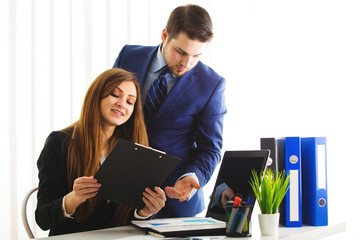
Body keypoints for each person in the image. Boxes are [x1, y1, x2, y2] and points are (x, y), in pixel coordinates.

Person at [113, 4, 227, 218]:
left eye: (196, 56)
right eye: (181, 52)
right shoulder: (128, 56)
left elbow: (210, 148)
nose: (186, 63)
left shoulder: (211, 84)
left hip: (172, 201)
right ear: (165, 35)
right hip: (118, 188)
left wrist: (193, 177)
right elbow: (106, 111)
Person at [35, 68, 166, 236]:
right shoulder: (59, 142)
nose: (122, 104)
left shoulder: (133, 150)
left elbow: (124, 219)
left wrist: (144, 212)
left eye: (130, 101)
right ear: (96, 96)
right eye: (115, 95)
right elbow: (43, 218)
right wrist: (74, 198)